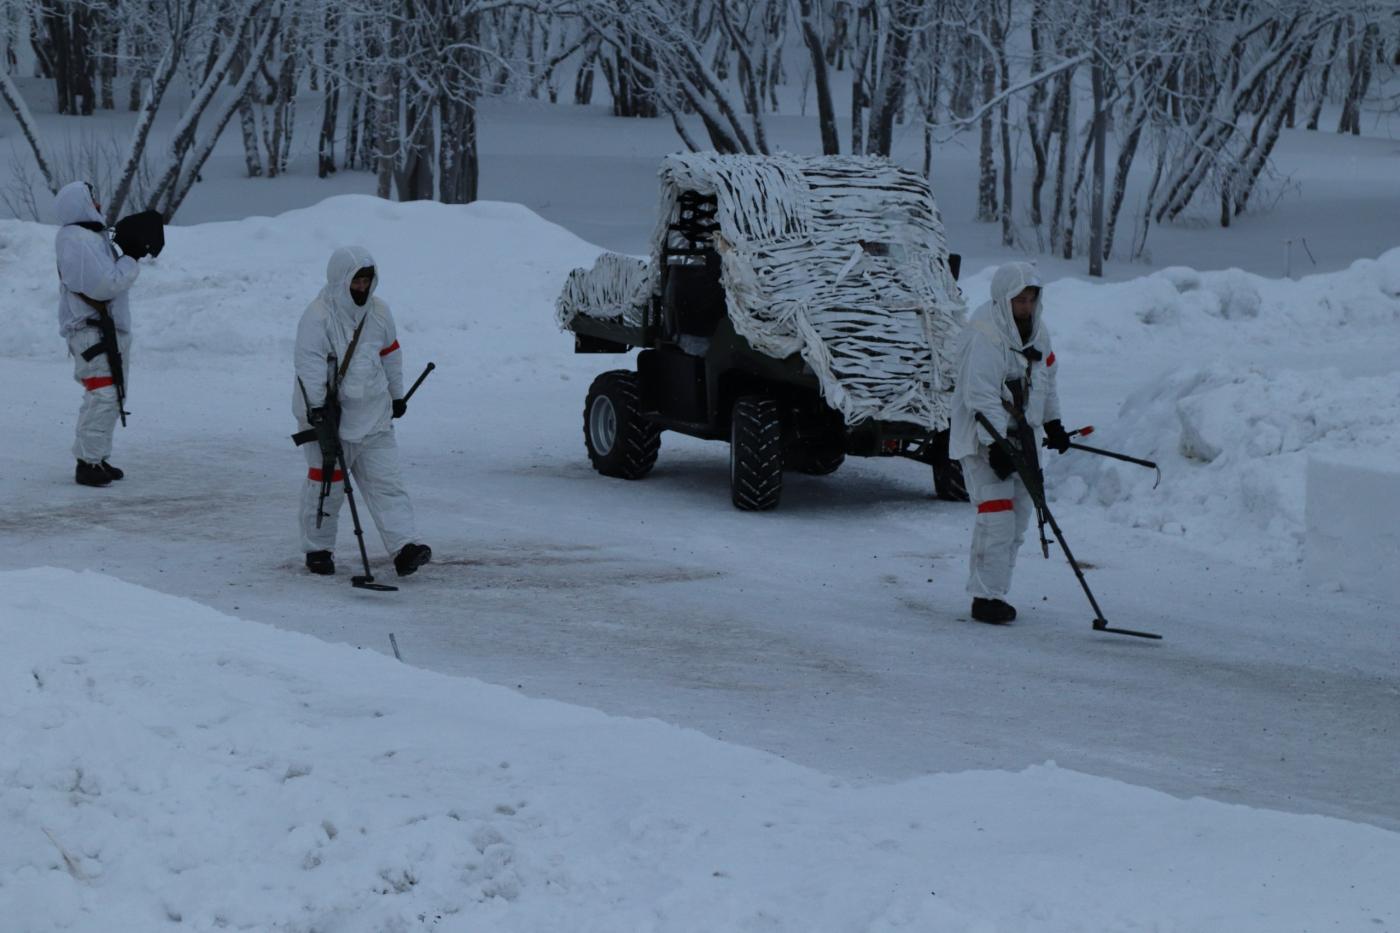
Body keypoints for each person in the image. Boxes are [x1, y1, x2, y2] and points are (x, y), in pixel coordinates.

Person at [292, 246, 431, 577]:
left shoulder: (379, 313)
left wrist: (396, 396)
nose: (362, 288)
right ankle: (318, 549)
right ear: (340, 279)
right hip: (330, 419)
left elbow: (390, 355)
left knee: (387, 483)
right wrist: (317, 410)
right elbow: (309, 364)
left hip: (374, 416)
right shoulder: (318, 316)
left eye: (367, 281)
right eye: (356, 281)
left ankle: (405, 548)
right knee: (327, 486)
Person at [947, 262, 1072, 624]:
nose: (1026, 307)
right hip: (984, 440)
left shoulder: (1038, 332)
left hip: (1023, 441)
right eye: (1020, 300)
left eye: (1031, 299)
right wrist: (996, 445)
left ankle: (995, 592)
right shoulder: (984, 334)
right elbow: (980, 396)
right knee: (997, 517)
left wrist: (1053, 423)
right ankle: (984, 598)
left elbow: (1047, 379)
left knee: (1017, 519)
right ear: (1004, 298)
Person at [54, 181, 140, 487]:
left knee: (110, 394)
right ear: (80, 204)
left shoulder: (89, 237)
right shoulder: (77, 240)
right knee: (103, 394)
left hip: (103, 331)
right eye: (93, 199)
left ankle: (96, 457)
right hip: (91, 332)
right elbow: (105, 285)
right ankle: (87, 463)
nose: (99, 205)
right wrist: (131, 258)